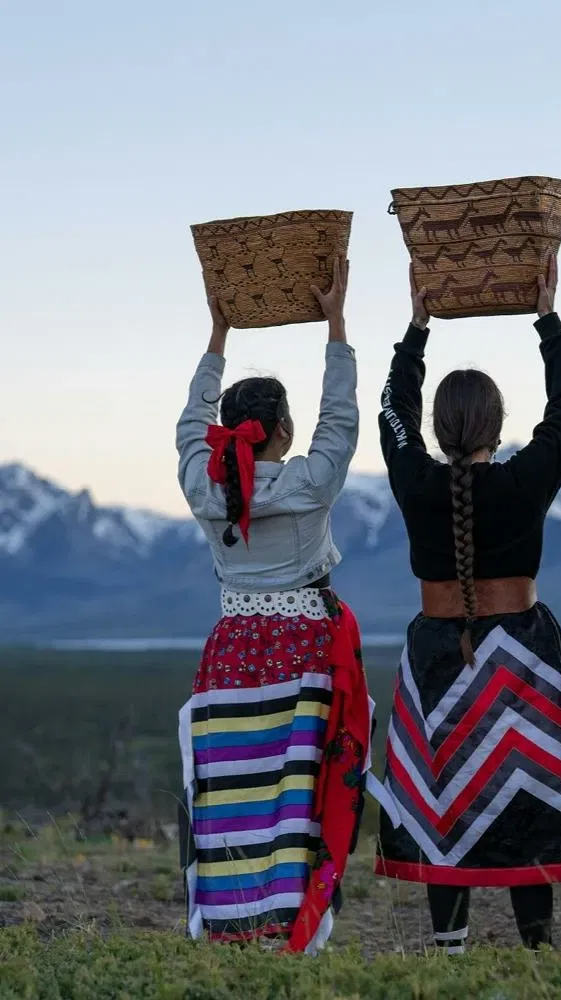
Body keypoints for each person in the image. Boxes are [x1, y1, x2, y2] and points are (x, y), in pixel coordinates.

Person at [373, 258, 561, 953]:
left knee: (445, 797)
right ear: (501, 425)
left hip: (436, 649)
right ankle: (537, 948)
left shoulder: (411, 475)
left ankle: (449, 950)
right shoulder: (526, 479)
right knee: (524, 797)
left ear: (437, 429)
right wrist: (547, 317)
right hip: (524, 649)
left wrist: (416, 327)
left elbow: (390, 412)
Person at [175, 259, 372, 954]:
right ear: (285, 429)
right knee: (301, 791)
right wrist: (336, 324)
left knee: (235, 786)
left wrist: (217, 332)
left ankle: (231, 920)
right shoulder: (310, 483)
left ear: (228, 429)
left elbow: (188, 426)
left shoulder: (204, 488)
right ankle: (295, 923)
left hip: (231, 650)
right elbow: (342, 417)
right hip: (306, 653)